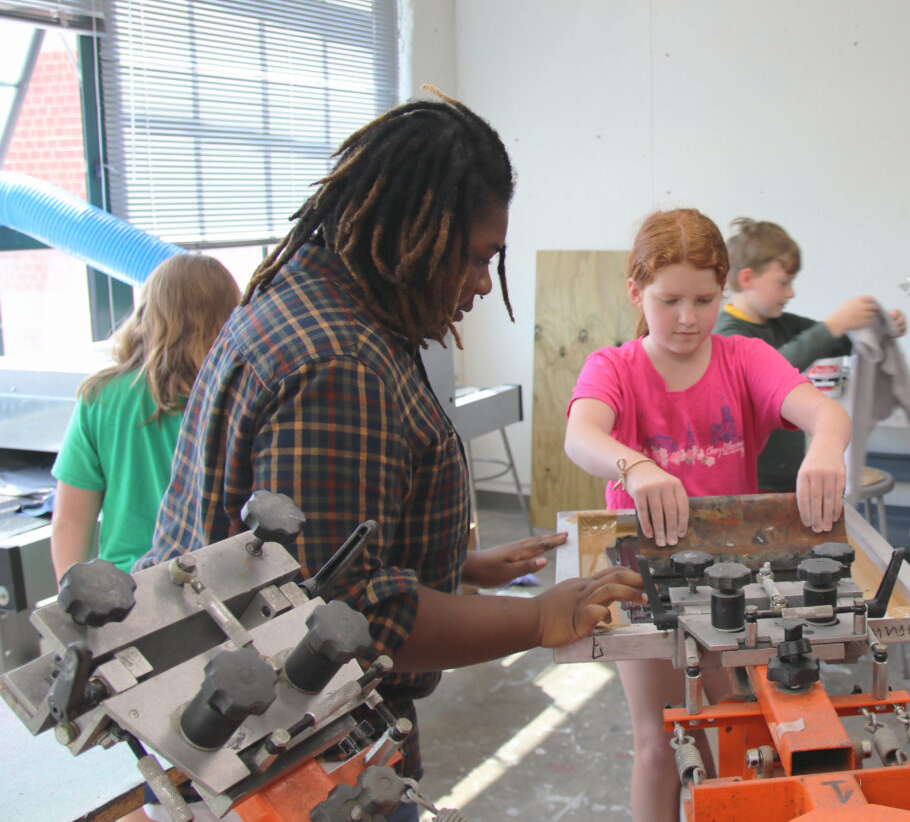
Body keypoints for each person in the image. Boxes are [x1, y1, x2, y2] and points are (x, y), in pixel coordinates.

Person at [136, 91, 644, 822]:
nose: (480, 283)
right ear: (412, 232)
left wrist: (459, 566)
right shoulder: (340, 364)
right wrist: (538, 618)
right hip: (284, 758)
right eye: (475, 258)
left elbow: (312, 548)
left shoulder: (307, 298)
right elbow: (346, 616)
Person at [563, 208, 851, 822]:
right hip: (645, 577)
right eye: (669, 301)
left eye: (704, 298)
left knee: (734, 730)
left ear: (725, 289)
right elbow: (581, 434)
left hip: (730, 575)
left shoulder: (743, 358)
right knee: (660, 741)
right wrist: (635, 467)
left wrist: (824, 448)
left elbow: (826, 414)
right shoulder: (614, 368)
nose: (688, 318)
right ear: (636, 291)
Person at [50, 253, 240, 581]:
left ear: (147, 312)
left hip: (124, 596)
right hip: (214, 588)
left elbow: (70, 522)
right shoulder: (232, 397)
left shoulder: (100, 396)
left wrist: (75, 606)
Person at [713, 217, 906, 491]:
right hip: (752, 482)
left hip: (791, 475)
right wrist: (835, 324)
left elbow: (841, 342)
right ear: (747, 278)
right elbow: (770, 373)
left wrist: (879, 328)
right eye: (783, 282)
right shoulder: (727, 334)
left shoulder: (783, 323)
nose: (791, 292)